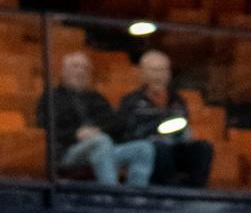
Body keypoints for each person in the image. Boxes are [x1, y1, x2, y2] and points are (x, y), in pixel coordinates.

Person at [35, 52, 154, 187]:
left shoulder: (97, 98)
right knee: (101, 141)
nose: (81, 71)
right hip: (67, 152)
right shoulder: (51, 98)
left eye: (85, 68)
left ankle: (136, 197)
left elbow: (116, 124)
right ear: (63, 71)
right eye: (75, 66)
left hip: (103, 148)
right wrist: (77, 134)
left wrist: (97, 130)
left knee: (143, 148)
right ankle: (111, 193)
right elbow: (44, 131)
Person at [117, 50, 214, 188]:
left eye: (163, 70)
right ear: (143, 73)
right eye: (154, 71)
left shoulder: (178, 101)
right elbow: (127, 134)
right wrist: (157, 127)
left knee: (203, 147)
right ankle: (172, 192)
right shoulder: (130, 101)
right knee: (160, 148)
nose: (159, 76)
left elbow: (183, 126)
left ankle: (194, 192)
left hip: (175, 147)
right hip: (150, 149)